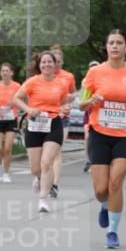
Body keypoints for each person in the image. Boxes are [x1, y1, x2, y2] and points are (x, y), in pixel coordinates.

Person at [79, 30, 126, 248]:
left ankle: (112, 232)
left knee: (115, 182)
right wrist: (91, 101)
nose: (115, 46)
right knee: (101, 190)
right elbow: (82, 104)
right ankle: (104, 205)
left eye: (119, 43)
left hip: (125, 135)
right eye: (111, 43)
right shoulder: (95, 73)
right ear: (106, 47)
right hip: (99, 134)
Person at [12, 51, 70, 214]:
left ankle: (43, 200)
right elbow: (16, 98)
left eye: (49, 62)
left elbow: (64, 105)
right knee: (35, 168)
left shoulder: (61, 84)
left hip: (53, 124)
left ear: (55, 64)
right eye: (43, 62)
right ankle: (38, 178)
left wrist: (64, 109)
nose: (46, 65)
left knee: (47, 163)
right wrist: (29, 109)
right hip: (35, 126)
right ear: (39, 65)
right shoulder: (32, 82)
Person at [50, 46, 77, 198]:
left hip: (63, 117)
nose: (57, 64)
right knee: (45, 153)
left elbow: (74, 92)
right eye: (55, 61)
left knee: (57, 150)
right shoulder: (44, 76)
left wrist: (71, 98)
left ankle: (54, 184)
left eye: (60, 61)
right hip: (46, 118)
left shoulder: (68, 76)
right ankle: (43, 177)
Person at [81, 61, 100, 171]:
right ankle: (89, 159)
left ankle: (96, 158)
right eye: (91, 69)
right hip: (88, 113)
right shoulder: (86, 81)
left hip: (99, 113)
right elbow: (82, 100)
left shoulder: (103, 80)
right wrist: (90, 101)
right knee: (87, 136)